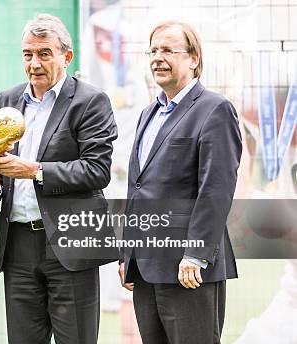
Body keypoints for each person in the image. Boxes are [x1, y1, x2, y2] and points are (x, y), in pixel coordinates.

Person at [0, 13, 118, 344]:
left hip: (71, 242)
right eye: (27, 54)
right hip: (17, 246)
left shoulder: (90, 101)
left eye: (44, 53)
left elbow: (97, 170)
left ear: (66, 57)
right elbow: (3, 175)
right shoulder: (7, 100)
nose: (34, 63)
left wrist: (35, 170)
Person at [118, 20, 242, 343]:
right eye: (153, 50)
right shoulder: (148, 114)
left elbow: (216, 190)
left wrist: (196, 254)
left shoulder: (215, 110)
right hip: (146, 271)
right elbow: (139, 189)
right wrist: (127, 254)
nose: (158, 57)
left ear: (194, 59)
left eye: (168, 50)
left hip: (189, 272)